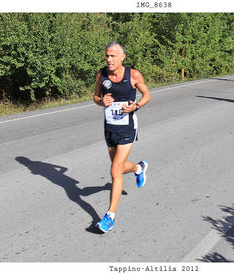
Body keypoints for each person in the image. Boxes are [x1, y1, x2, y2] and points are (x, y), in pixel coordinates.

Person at [93, 41, 151, 233]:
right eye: (107, 56)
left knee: (114, 169)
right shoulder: (101, 75)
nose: (108, 59)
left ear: (122, 57)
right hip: (109, 128)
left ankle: (110, 216)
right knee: (117, 169)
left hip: (127, 128)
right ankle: (138, 168)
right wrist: (102, 101)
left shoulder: (133, 75)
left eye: (113, 56)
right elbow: (94, 97)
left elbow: (146, 95)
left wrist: (135, 106)